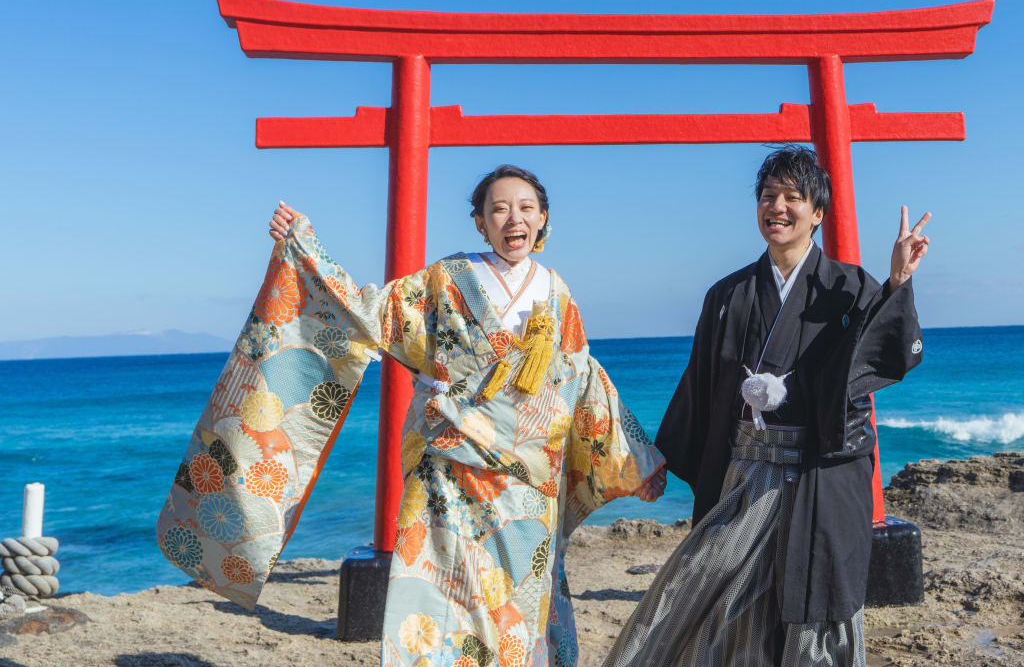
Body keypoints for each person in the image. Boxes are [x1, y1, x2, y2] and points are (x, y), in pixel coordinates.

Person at [157, 164, 665, 667]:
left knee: (519, 604)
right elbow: (367, 312)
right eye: (500, 208)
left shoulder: (557, 294)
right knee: (439, 596)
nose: (514, 218)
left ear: (543, 220)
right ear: (480, 222)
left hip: (527, 479)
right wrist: (305, 249)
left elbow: (583, 378)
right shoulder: (447, 279)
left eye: (526, 208)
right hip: (448, 465)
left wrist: (634, 458)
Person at [603, 145, 929, 667]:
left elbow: (885, 359)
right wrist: (659, 461)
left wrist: (896, 284)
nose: (777, 207)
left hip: (821, 472)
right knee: (710, 589)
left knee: (819, 603)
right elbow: (699, 386)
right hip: (746, 471)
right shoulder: (727, 294)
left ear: (817, 214)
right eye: (767, 196)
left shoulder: (850, 288)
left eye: (792, 197)